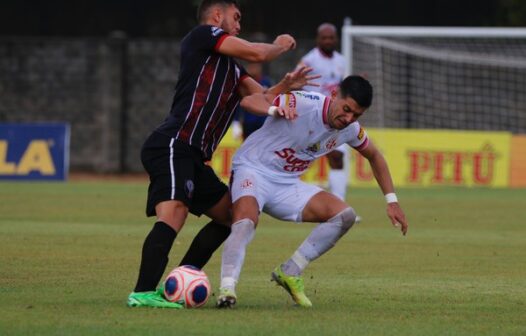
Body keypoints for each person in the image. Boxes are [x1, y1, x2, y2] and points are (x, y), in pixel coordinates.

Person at [127, 0, 318, 309]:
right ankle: (142, 292)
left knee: (231, 216)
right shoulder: (202, 36)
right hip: (174, 143)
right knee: (174, 212)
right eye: (236, 17)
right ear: (217, 16)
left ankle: (179, 280)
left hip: (195, 156)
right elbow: (258, 52)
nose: (239, 24)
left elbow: (262, 97)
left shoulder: (233, 70)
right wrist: (280, 45)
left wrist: (285, 85)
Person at [216, 76, 408, 308]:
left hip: (286, 184)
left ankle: (290, 271)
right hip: (253, 170)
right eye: (346, 109)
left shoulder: (350, 129)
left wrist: (392, 201)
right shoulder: (303, 103)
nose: (348, 119)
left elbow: (375, 156)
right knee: (246, 222)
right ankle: (227, 289)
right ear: (334, 94)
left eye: (356, 115)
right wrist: (275, 109)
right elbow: (248, 102)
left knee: (344, 216)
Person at [298, 23, 354, 206]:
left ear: (336, 39)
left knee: (338, 158)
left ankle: (339, 205)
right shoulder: (309, 60)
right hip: (312, 116)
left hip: (334, 117)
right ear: (318, 39)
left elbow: (341, 86)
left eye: (331, 37)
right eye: (324, 37)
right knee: (300, 160)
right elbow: (295, 80)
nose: (328, 41)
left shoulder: (341, 60)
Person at [232, 62, 273, 140]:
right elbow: (239, 103)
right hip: (249, 121)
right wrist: (236, 121)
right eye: (250, 67)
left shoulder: (266, 82)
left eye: (255, 67)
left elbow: (272, 99)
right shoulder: (244, 84)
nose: (252, 69)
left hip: (263, 121)